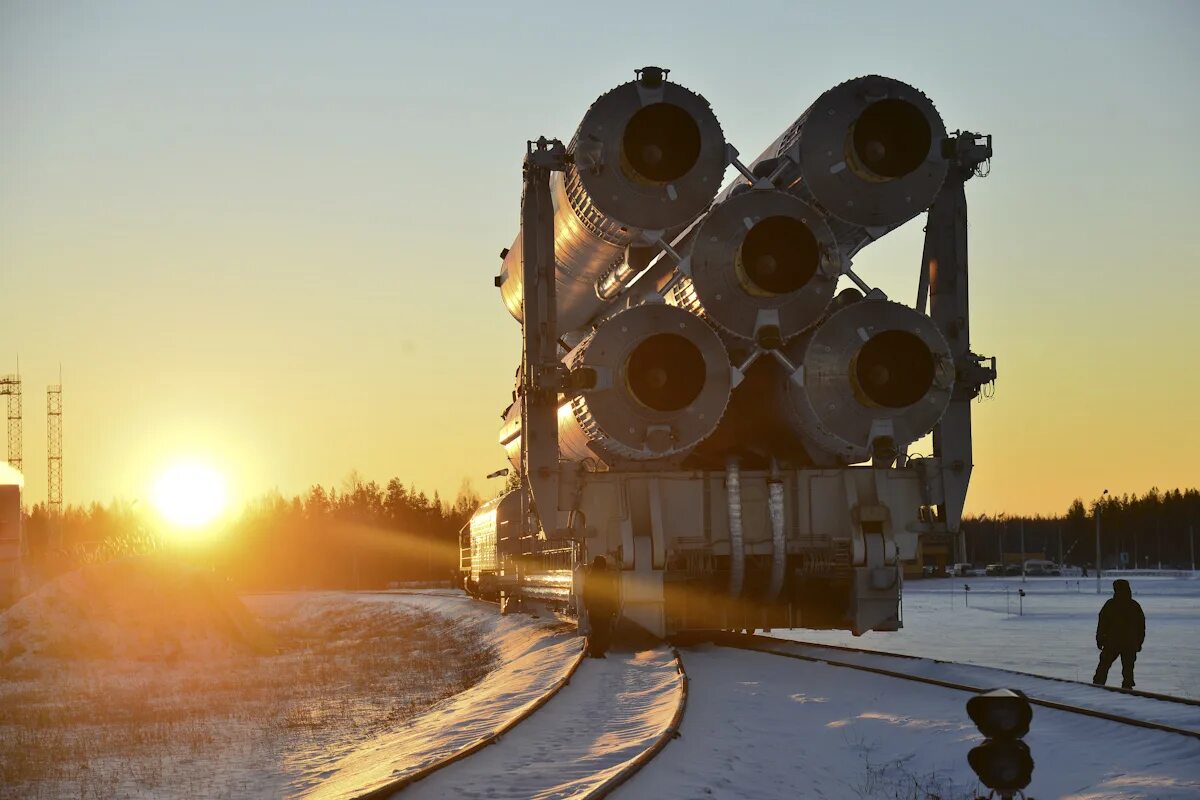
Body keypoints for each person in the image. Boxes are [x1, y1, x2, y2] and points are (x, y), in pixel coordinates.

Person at [1093, 578, 1145, 689]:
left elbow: (1102, 624)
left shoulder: (1110, 605)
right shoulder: (1135, 606)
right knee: (1128, 669)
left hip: (1112, 642)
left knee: (1103, 666)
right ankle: (1127, 689)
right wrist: (1139, 643)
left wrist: (1100, 639)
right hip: (1130, 643)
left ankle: (1097, 687)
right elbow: (1141, 627)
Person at [582, 555, 619, 658]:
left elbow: (585, 594)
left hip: (593, 610)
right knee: (603, 632)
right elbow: (611, 595)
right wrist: (614, 609)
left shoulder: (589, 577)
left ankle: (594, 651)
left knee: (596, 630)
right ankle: (597, 652)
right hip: (605, 610)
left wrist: (587, 607)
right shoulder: (607, 578)